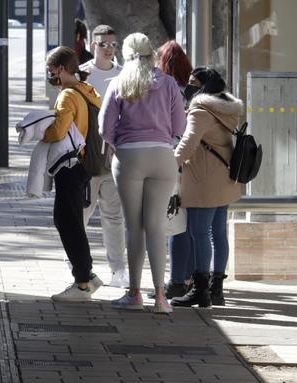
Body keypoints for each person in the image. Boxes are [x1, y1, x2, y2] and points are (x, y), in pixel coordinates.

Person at [100, 32, 186, 314]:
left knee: (133, 226)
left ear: (124, 55)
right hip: (163, 156)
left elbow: (105, 128)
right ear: (151, 54)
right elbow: (179, 128)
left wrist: (119, 143)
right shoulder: (169, 83)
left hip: (129, 157)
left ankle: (134, 293)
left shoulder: (118, 82)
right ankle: (161, 297)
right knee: (157, 226)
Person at [170, 68, 243, 308]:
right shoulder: (226, 109)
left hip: (203, 180)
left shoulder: (200, 111)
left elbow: (187, 145)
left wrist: (168, 164)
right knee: (218, 233)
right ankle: (216, 290)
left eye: (193, 83)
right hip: (224, 179)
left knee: (199, 232)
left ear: (203, 86)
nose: (188, 87)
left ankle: (200, 291)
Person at [43, 46, 105, 301]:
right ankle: (87, 274)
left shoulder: (67, 95)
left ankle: (82, 282)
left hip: (69, 165)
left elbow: (58, 131)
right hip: (85, 163)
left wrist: (38, 133)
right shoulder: (87, 91)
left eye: (50, 69)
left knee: (67, 221)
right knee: (70, 219)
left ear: (61, 68)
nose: (49, 74)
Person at [79, 24, 129, 288]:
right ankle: (79, 265)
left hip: (115, 156)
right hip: (87, 157)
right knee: (83, 213)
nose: (109, 49)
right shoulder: (82, 75)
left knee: (114, 215)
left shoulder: (124, 75)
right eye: (103, 44)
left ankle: (118, 269)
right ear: (92, 45)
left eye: (113, 44)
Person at [155, 40, 196, 299]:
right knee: (191, 223)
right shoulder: (195, 90)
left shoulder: (165, 89)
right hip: (196, 163)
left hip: (174, 158)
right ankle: (191, 276)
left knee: (174, 219)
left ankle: (176, 280)